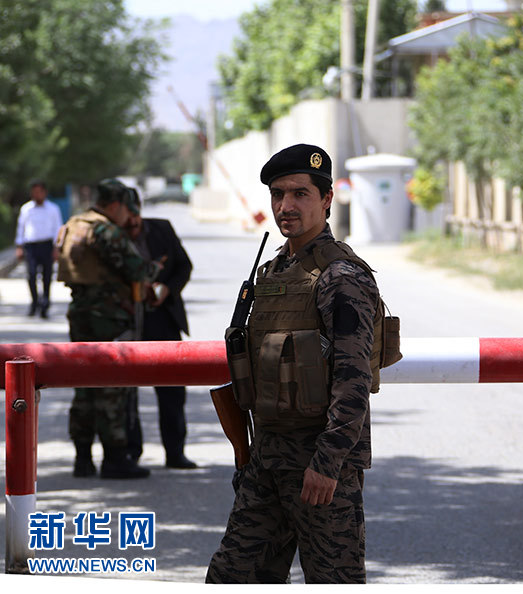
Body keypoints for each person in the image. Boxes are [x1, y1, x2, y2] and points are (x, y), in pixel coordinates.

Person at [206, 144, 384, 583]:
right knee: (232, 579)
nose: (286, 205)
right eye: (278, 194)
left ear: (326, 199)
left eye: (300, 194)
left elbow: (353, 380)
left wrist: (327, 464)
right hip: (266, 461)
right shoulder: (273, 271)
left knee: (333, 583)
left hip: (318, 468)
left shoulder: (341, 277)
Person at [56, 178, 162, 479]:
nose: (128, 216)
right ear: (114, 205)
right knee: (111, 387)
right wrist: (155, 268)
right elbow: (137, 269)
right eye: (126, 209)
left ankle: (82, 457)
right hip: (108, 318)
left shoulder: (74, 224)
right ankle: (115, 458)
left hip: (80, 313)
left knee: (83, 386)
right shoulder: (106, 230)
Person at [124, 188, 197, 469]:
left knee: (172, 390)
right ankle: (130, 452)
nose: (131, 222)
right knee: (126, 391)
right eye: (126, 216)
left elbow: (183, 266)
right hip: (127, 322)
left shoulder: (161, 229)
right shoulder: (112, 239)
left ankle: (175, 451)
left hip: (163, 318)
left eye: (135, 214)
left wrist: (167, 288)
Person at [14, 179, 63, 318]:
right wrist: (19, 246)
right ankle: (34, 302)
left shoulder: (53, 209)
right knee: (31, 275)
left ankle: (45, 303)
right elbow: (21, 228)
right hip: (31, 246)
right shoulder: (26, 209)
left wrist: (57, 248)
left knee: (47, 276)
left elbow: (58, 228)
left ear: (45, 192)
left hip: (47, 245)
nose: (37, 194)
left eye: (39, 192)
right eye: (34, 192)